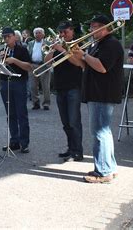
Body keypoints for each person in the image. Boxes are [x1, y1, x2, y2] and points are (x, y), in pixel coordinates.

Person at [72, 15, 124, 183]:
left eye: (93, 27)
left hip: (103, 93)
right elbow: (84, 65)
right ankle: (110, 167)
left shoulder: (111, 44)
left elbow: (102, 67)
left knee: (99, 132)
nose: (90, 30)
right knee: (104, 132)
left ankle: (103, 172)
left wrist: (84, 55)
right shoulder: (98, 44)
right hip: (96, 92)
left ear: (103, 28)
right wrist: (75, 54)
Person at [45, 21, 84, 161]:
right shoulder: (57, 45)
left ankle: (78, 151)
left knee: (74, 122)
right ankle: (70, 148)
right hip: (60, 87)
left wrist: (62, 49)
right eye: (60, 32)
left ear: (72, 31)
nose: (62, 35)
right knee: (66, 123)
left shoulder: (77, 45)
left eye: (65, 32)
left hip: (73, 87)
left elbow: (79, 63)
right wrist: (52, 49)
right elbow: (47, 61)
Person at [0, 27, 32, 153]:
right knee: (10, 114)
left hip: (19, 83)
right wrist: (0, 60)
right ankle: (14, 141)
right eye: (4, 37)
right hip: (5, 83)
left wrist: (14, 61)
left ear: (14, 37)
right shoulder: (1, 51)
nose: (6, 39)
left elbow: (29, 67)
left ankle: (24, 143)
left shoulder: (22, 50)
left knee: (21, 114)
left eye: (8, 36)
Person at [27, 27, 52, 110]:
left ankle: (46, 104)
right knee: (32, 86)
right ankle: (36, 103)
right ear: (34, 35)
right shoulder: (30, 43)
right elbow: (28, 54)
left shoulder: (48, 43)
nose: (37, 34)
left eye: (39, 32)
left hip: (44, 65)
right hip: (32, 66)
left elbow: (51, 54)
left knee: (46, 86)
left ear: (43, 34)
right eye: (36, 33)